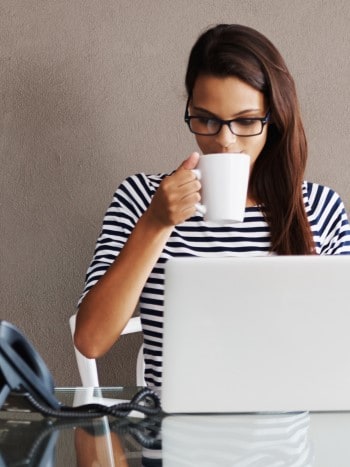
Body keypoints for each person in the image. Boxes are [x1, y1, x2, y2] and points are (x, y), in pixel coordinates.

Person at [74, 24, 350, 388]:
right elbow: (91, 340)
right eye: (205, 119)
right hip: (170, 435)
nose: (224, 141)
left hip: (286, 436)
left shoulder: (319, 209)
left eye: (247, 121)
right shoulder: (141, 197)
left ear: (274, 119)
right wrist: (156, 223)